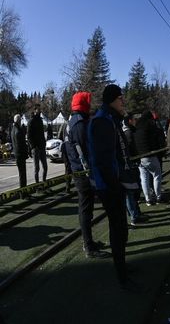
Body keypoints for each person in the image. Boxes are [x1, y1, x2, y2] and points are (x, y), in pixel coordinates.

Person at [87, 84, 133, 289]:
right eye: (121, 98)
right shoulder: (102, 122)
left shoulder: (110, 120)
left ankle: (122, 267)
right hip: (109, 185)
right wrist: (115, 185)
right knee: (118, 228)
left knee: (121, 228)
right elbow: (103, 160)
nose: (124, 102)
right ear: (112, 100)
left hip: (114, 182)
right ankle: (121, 274)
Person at [65, 92, 109, 258]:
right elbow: (88, 151)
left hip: (79, 172)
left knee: (87, 209)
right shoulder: (80, 125)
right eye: (88, 104)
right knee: (86, 209)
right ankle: (89, 245)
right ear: (84, 106)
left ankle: (88, 242)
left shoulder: (73, 122)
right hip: (85, 174)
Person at [135, 110, 165, 205]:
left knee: (144, 178)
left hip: (140, 156)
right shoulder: (150, 126)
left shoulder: (137, 127)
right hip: (150, 155)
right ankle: (158, 197)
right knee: (157, 175)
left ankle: (148, 199)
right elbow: (155, 139)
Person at [122, 113, 145, 225]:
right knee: (131, 191)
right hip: (129, 166)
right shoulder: (128, 133)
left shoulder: (128, 132)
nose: (136, 121)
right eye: (134, 119)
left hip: (130, 164)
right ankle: (134, 215)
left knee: (133, 191)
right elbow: (130, 149)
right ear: (130, 121)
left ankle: (135, 213)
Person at [27, 104, 47, 183]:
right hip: (36, 148)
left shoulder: (41, 120)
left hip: (42, 147)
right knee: (37, 168)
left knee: (45, 167)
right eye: (38, 109)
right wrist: (33, 147)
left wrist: (44, 144)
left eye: (40, 109)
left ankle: (44, 182)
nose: (40, 110)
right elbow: (28, 136)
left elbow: (42, 134)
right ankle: (37, 185)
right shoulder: (31, 121)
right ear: (35, 110)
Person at [10, 114, 28, 192]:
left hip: (17, 154)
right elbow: (21, 143)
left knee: (22, 174)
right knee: (23, 175)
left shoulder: (13, 129)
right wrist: (23, 132)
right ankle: (23, 192)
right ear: (19, 121)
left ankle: (23, 191)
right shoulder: (18, 130)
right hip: (20, 154)